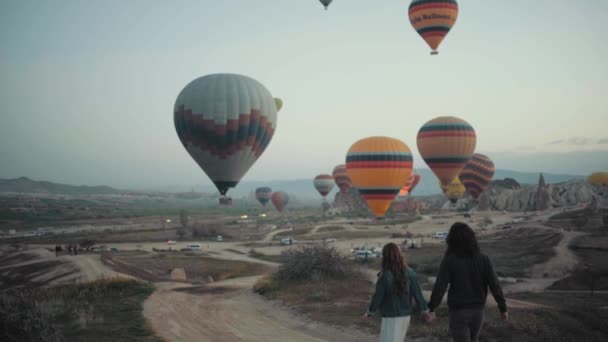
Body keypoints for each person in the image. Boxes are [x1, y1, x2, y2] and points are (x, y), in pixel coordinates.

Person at [428, 222, 509, 342]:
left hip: (458, 312)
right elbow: (495, 285)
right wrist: (503, 308)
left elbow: (440, 286)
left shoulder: (449, 260)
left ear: (451, 240)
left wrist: (432, 308)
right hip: (478, 312)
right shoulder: (483, 259)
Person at [365, 242, 430, 341]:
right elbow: (418, 295)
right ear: (399, 255)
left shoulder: (385, 276)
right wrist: (425, 310)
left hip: (391, 316)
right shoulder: (411, 273)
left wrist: (370, 311)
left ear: (385, 257)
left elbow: (377, 296)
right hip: (405, 316)